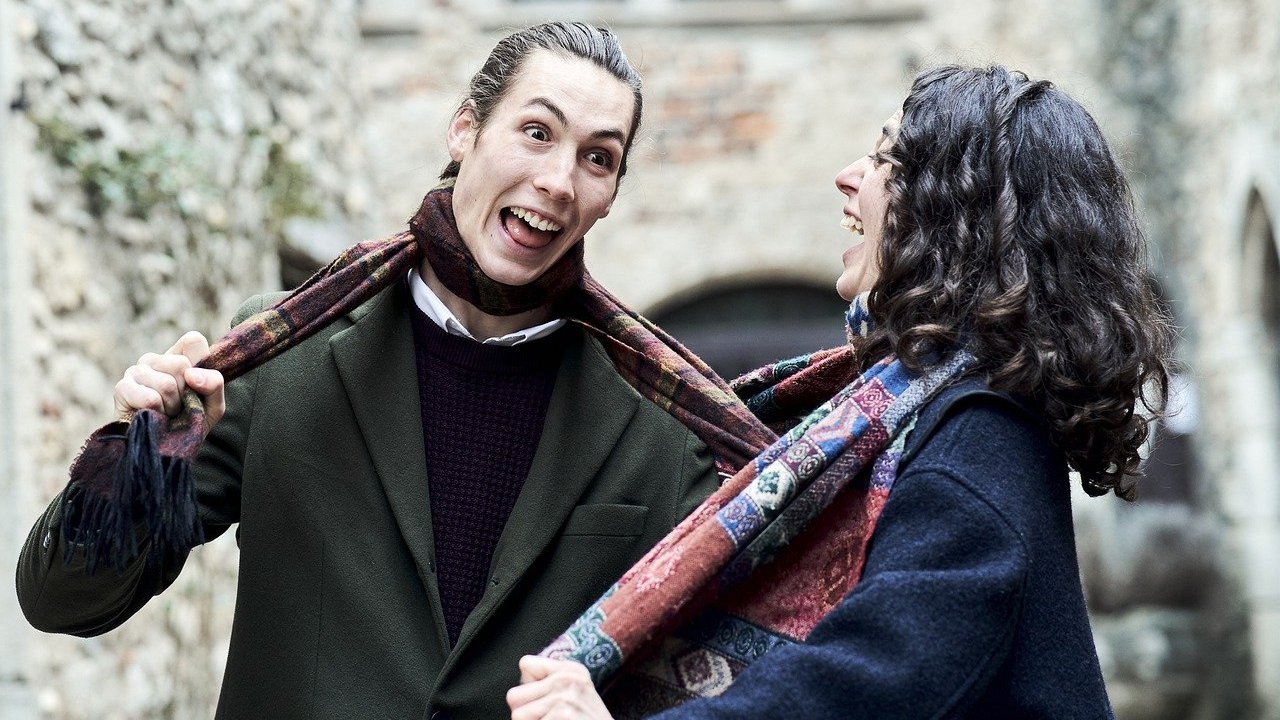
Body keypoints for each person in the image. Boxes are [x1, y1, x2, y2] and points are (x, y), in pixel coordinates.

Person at [16, 23, 726, 720]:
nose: (558, 181)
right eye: (537, 133)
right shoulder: (283, 352)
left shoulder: (661, 421)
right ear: (464, 131)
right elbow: (62, 600)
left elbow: (730, 677)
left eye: (597, 159)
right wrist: (147, 452)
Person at [507, 65, 1174, 719]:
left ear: (950, 210)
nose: (848, 175)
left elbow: (872, 683)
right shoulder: (935, 410)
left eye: (886, 158)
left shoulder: (980, 437)